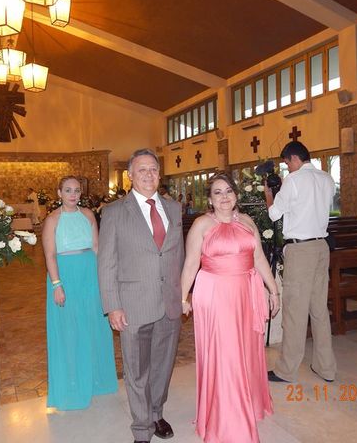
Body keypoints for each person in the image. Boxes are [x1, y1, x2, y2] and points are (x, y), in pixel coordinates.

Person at [180, 173, 280, 443]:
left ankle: (249, 402)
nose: (224, 197)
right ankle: (228, 418)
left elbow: (258, 257)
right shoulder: (201, 224)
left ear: (236, 195)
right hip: (215, 295)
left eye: (228, 192)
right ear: (210, 199)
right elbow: (191, 264)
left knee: (246, 351)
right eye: (217, 193)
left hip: (246, 293)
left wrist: (273, 289)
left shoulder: (247, 222)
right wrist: (183, 297)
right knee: (226, 355)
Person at [98, 148, 184, 443]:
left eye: (153, 170)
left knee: (162, 366)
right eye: (142, 170)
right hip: (132, 305)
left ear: (160, 175)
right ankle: (141, 429)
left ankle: (156, 412)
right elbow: (106, 263)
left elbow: (178, 256)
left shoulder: (173, 209)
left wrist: (183, 294)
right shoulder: (113, 212)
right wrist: (112, 306)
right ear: (130, 175)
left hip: (169, 302)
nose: (149, 175)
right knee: (137, 371)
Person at [41, 176, 118, 410]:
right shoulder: (52, 220)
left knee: (94, 327)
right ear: (59, 193)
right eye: (68, 190)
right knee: (69, 330)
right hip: (65, 275)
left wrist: (104, 279)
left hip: (89, 274)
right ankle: (72, 385)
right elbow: (50, 255)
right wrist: (57, 285)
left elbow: (96, 248)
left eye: (76, 190)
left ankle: (96, 381)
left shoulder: (88, 215)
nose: (73, 194)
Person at [265, 141, 336, 383]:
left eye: (287, 163)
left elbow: (274, 213)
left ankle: (286, 370)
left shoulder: (294, 181)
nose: (287, 168)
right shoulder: (327, 179)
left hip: (300, 249)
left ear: (295, 158)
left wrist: (268, 193)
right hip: (321, 247)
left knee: (294, 311)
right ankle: (326, 367)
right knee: (319, 310)